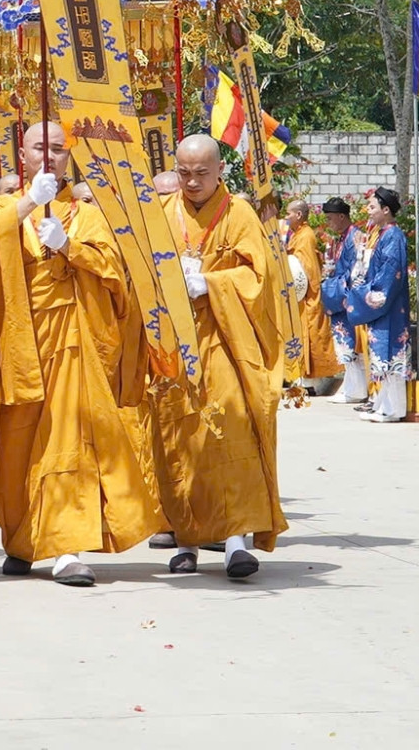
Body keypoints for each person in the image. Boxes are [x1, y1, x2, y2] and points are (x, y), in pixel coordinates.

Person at [0, 122, 162, 587]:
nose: (49, 156)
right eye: (40, 147)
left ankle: (66, 547)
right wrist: (29, 202)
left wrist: (70, 248)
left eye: (58, 148)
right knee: (15, 451)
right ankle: (22, 539)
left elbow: (114, 270)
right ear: (23, 152)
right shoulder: (3, 206)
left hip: (72, 338)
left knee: (67, 439)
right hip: (16, 343)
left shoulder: (86, 214)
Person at [149, 135, 287, 577]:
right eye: (184, 173)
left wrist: (211, 282)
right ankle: (185, 538)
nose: (191, 182)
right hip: (175, 344)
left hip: (225, 339)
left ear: (219, 171)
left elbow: (258, 275)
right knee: (182, 438)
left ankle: (235, 541)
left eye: (201, 173)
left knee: (231, 427)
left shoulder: (239, 213)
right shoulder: (163, 214)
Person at [347, 188, 410, 423]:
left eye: (372, 207)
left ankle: (394, 409)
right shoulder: (381, 234)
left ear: (386, 210)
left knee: (390, 353)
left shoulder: (393, 236)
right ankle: (383, 405)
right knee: (379, 354)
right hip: (380, 306)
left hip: (390, 306)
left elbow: (390, 274)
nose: (368, 211)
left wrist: (368, 293)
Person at [283, 198, 338, 387]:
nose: (286, 217)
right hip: (299, 297)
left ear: (298, 215)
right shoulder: (297, 234)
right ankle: (300, 378)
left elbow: (304, 268)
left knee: (309, 335)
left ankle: (309, 383)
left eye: (288, 213)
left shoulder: (305, 236)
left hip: (307, 296)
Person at [318, 198, 364, 402]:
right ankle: (352, 387)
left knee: (352, 344)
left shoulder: (354, 237)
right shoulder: (341, 238)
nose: (328, 223)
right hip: (340, 293)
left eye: (330, 218)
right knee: (345, 343)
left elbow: (357, 270)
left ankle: (356, 390)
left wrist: (340, 287)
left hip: (348, 296)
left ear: (341, 216)